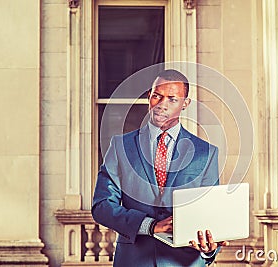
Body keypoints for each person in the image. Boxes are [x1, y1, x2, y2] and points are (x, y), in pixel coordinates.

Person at [92, 69, 228, 266]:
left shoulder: (205, 153)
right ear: (149, 98)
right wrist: (150, 226)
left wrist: (209, 250)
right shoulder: (122, 146)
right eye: (157, 96)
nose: (162, 105)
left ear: (185, 104)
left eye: (172, 99)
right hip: (134, 261)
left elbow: (210, 214)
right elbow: (102, 207)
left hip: (185, 262)